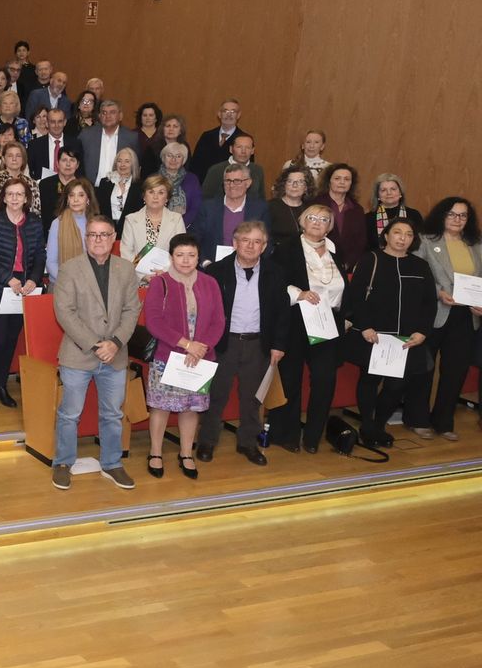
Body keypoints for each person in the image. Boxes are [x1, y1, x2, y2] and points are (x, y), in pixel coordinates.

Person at [50, 217, 144, 491]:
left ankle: (112, 463)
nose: (98, 240)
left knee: (113, 413)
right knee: (70, 413)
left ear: (114, 237)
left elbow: (132, 310)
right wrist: (95, 344)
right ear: (85, 238)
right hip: (79, 354)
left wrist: (114, 342)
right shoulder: (69, 269)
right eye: (93, 235)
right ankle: (64, 462)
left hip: (115, 354)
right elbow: (64, 313)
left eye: (104, 235)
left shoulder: (126, 269)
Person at [194, 221, 288, 466]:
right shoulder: (216, 271)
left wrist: (278, 345)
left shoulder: (276, 272)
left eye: (257, 241)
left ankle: (248, 442)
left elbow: (282, 312)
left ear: (265, 246)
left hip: (258, 343)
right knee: (216, 395)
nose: (250, 246)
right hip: (224, 343)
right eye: (245, 240)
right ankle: (207, 440)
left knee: (252, 398)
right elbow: (206, 311)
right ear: (234, 243)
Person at [343, 217, 436, 448]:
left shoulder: (420, 266)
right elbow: (354, 296)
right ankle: (367, 424)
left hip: (405, 340)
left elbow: (429, 303)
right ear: (386, 235)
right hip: (374, 335)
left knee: (397, 385)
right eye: (397, 232)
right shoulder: (371, 259)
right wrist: (364, 326)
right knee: (369, 380)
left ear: (413, 240)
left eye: (408, 234)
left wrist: (422, 331)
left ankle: (379, 423)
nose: (402, 238)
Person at [143, 233, 227, 480]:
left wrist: (202, 347)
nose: (186, 260)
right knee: (161, 407)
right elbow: (154, 322)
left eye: (191, 255)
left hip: (201, 357)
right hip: (169, 355)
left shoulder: (210, 283)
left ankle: (186, 453)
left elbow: (218, 321)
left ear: (198, 257)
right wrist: (186, 344)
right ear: (171, 257)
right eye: (180, 255)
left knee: (191, 408)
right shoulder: (161, 283)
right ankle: (155, 452)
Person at [272, 203, 348, 453]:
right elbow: (274, 281)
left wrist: (345, 316)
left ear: (330, 226)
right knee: (291, 379)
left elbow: (344, 289)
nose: (317, 222)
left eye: (324, 219)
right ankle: (288, 435)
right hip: (296, 321)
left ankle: (314, 436)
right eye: (312, 217)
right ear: (303, 222)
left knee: (325, 380)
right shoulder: (287, 248)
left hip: (328, 325)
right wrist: (299, 293)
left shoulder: (336, 251)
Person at [413, 198, 482, 441]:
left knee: (456, 370)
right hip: (434, 312)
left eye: (463, 216)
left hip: (466, 316)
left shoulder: (476, 245)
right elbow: (416, 275)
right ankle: (418, 419)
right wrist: (438, 292)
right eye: (452, 214)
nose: (457, 220)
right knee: (424, 368)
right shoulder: (426, 241)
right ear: (442, 215)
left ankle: (443, 421)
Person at [0, 176, 45, 411]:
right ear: (4, 198)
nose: (15, 198)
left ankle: (0, 385)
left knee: (12, 338)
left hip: (24, 290)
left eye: (20, 195)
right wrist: (8, 278)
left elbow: (39, 256)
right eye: (11, 194)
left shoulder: (34, 223)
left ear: (26, 199)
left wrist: (33, 279)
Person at [313, 162, 367, 271]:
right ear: (329, 181)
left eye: (347, 179)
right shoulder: (315, 204)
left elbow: (360, 241)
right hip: (317, 263)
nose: (342, 182)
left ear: (351, 183)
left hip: (347, 267)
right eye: (337, 178)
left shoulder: (357, 209)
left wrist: (348, 263)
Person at [45, 178, 98, 285]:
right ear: (67, 199)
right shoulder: (57, 223)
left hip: (91, 284)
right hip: (61, 283)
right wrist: (69, 282)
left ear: (88, 199)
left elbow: (101, 259)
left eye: (81, 195)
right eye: (71, 195)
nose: (76, 199)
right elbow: (50, 262)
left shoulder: (96, 224)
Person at [94, 148, 143, 235]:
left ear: (133, 164)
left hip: (130, 231)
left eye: (127, 161)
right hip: (106, 230)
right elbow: (99, 209)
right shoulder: (105, 183)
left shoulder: (140, 186)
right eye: (119, 161)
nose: (122, 165)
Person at [365, 172, 422, 245]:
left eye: (393, 189)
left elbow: (420, 244)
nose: (389, 193)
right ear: (378, 196)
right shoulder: (368, 219)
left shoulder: (414, 215)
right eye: (383, 190)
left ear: (400, 193)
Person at [268, 166, 315, 242]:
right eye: (290, 181)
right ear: (284, 185)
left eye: (300, 182)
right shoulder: (270, 207)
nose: (295, 185)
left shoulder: (311, 209)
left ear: (306, 187)